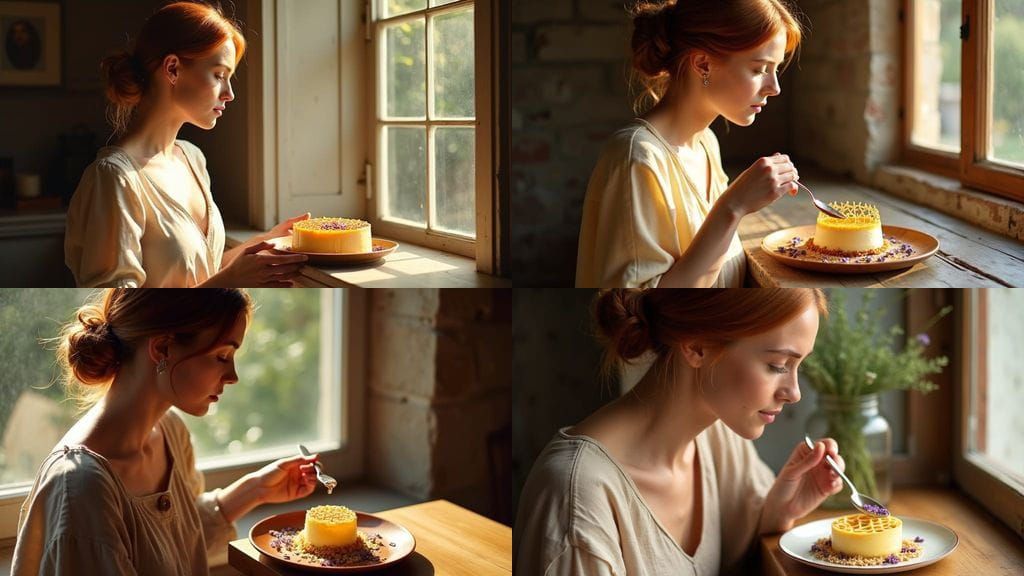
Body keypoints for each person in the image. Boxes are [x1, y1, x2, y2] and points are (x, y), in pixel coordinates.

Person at [515, 289, 847, 575]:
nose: (794, 393)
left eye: (799, 365)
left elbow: (740, 554)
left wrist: (779, 510)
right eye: (778, 365)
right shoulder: (576, 497)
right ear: (697, 346)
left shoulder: (717, 434)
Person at [12, 289, 321, 575]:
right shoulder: (81, 488)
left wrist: (256, 490)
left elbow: (172, 546)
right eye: (222, 356)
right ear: (162, 348)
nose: (233, 376)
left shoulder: (169, 431)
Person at [65, 1, 309, 287]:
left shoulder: (192, 159)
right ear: (172, 69)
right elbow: (121, 304)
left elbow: (198, 274)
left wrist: (263, 242)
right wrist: (229, 280)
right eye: (219, 75)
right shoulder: (114, 178)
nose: (229, 93)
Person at [576, 0, 806, 287]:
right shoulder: (637, 158)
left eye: (776, 69)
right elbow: (644, 306)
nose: (775, 88)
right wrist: (734, 206)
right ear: (703, 64)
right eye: (760, 69)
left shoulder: (706, 143)